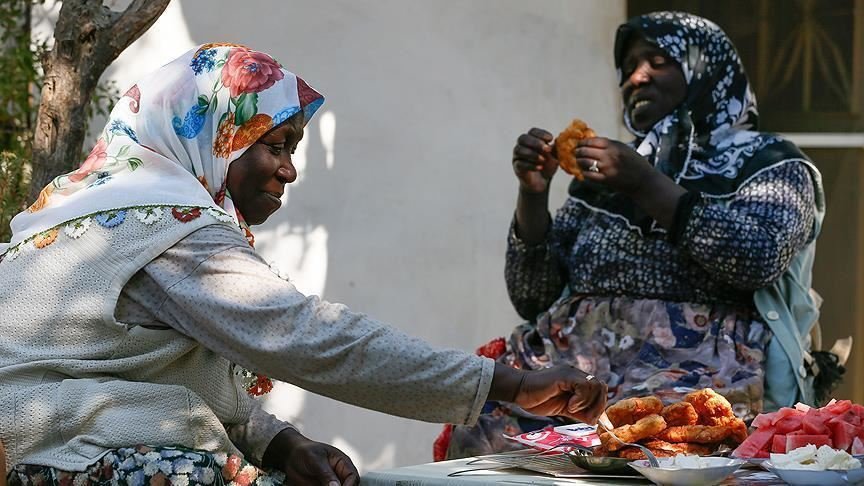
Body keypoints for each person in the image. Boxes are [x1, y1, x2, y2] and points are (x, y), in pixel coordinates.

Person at [0, 44, 608, 485]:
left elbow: (163, 376)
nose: (289, 170)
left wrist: (284, 444)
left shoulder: (95, 209)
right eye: (276, 145)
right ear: (216, 135)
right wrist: (509, 384)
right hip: (47, 449)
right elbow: (307, 337)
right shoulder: (161, 225)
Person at [443, 11, 826, 459]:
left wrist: (644, 184)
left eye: (657, 61)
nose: (636, 77)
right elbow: (532, 297)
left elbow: (757, 259)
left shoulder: (771, 163)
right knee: (484, 427)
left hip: (695, 377)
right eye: (627, 68)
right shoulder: (605, 171)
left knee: (650, 451)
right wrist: (533, 194)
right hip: (569, 374)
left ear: (705, 68)